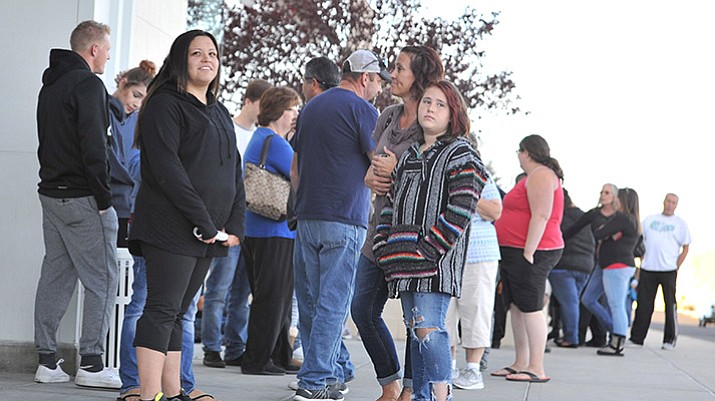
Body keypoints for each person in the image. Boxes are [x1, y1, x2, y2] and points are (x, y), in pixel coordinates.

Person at [128, 30, 245, 401]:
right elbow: (167, 170)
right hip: (172, 226)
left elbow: (233, 170)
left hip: (208, 232)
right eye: (197, 53)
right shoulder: (165, 103)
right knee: (162, 309)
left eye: (212, 52)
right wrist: (205, 221)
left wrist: (235, 223)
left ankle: (173, 392)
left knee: (180, 312)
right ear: (181, 59)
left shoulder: (218, 110)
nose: (207, 58)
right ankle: (148, 395)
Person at [374, 80, 485, 401]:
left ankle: (441, 396)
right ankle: (422, 397)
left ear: (453, 114)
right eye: (426, 102)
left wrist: (429, 249)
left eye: (440, 104)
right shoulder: (409, 154)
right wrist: (384, 245)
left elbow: (462, 208)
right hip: (401, 260)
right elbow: (391, 205)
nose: (430, 109)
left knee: (428, 329)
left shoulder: (461, 153)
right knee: (415, 332)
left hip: (434, 264)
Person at [290, 49, 389, 401]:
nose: (379, 88)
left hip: (308, 216)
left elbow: (296, 167)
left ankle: (332, 372)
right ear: (365, 78)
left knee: (312, 302)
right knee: (332, 304)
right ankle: (315, 381)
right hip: (344, 217)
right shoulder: (363, 109)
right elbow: (379, 161)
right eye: (378, 80)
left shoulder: (311, 107)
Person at [351, 45, 444, 401]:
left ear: (420, 77)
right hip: (379, 231)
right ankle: (390, 383)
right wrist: (370, 178)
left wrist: (398, 171)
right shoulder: (388, 115)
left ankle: (408, 392)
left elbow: (436, 177)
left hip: (414, 234)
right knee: (362, 307)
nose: (393, 73)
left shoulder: (432, 121)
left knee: (414, 318)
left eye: (400, 67)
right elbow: (372, 168)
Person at [33, 20, 121, 389]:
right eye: (107, 48)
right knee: (102, 277)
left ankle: (47, 361)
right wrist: (104, 201)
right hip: (83, 197)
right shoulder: (88, 84)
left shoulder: (49, 86)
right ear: (94, 49)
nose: (109, 55)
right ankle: (91, 363)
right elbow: (94, 149)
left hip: (51, 194)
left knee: (56, 274)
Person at [202, 79, 272, 369]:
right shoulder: (226, 128)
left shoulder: (260, 135)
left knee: (241, 292)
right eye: (263, 105)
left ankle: (234, 346)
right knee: (219, 288)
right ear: (249, 101)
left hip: (250, 225)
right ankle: (210, 347)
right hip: (226, 221)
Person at [491, 134, 564, 384]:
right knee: (516, 307)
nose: (518, 157)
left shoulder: (542, 175)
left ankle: (536, 367)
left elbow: (541, 215)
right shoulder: (533, 176)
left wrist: (529, 252)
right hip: (515, 251)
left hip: (534, 251)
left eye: (518, 152)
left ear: (526, 152)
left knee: (531, 308)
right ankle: (520, 363)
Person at [240, 86, 301, 375]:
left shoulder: (261, 137)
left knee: (274, 297)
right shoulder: (276, 143)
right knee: (273, 299)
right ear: (278, 111)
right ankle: (258, 358)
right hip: (275, 231)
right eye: (291, 109)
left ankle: (278, 355)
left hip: (258, 230)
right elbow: (300, 173)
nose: (295, 114)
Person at [447, 168, 501, 391]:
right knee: (444, 315)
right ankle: (447, 367)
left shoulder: (482, 175)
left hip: (479, 253)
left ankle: (472, 369)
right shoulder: (440, 171)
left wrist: (468, 193)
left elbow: (495, 211)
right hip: (446, 252)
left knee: (477, 310)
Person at [630, 193, 691, 349]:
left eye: (673, 202)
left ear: (676, 205)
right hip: (648, 268)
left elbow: (686, 247)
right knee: (643, 304)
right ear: (663, 202)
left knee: (669, 305)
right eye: (668, 201)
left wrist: (677, 264)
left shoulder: (680, 224)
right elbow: (640, 242)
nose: (670, 204)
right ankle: (637, 338)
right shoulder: (650, 220)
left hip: (668, 270)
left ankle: (669, 340)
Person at [563, 183, 619, 347]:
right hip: (599, 263)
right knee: (588, 299)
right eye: (602, 192)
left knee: (612, 302)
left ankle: (615, 337)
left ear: (614, 197)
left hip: (617, 264)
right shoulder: (594, 214)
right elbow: (574, 229)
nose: (603, 195)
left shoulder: (620, 217)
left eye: (607, 192)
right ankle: (614, 331)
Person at [591, 187, 641, 356]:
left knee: (616, 305)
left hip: (616, 266)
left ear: (624, 201)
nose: (615, 200)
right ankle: (617, 341)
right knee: (617, 304)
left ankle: (617, 344)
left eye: (618, 198)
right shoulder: (632, 220)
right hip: (622, 266)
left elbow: (598, 233)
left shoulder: (622, 218)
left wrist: (606, 232)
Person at [548, 189, 595, 348]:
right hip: (586, 266)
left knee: (569, 303)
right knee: (573, 302)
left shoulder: (558, 216)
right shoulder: (582, 215)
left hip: (564, 265)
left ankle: (571, 337)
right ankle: (573, 335)